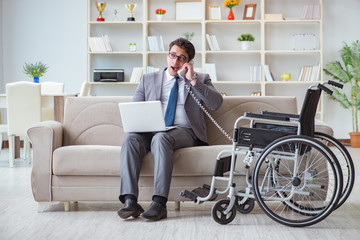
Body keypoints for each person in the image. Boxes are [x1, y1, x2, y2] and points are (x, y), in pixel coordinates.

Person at [117, 37, 223, 221]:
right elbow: (135, 109)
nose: (175, 61)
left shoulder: (200, 78)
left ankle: (159, 203)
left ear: (188, 63)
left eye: (181, 58)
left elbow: (216, 103)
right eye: (172, 55)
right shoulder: (148, 79)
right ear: (167, 55)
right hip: (150, 130)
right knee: (130, 139)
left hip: (184, 132)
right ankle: (130, 201)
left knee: (161, 138)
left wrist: (193, 81)